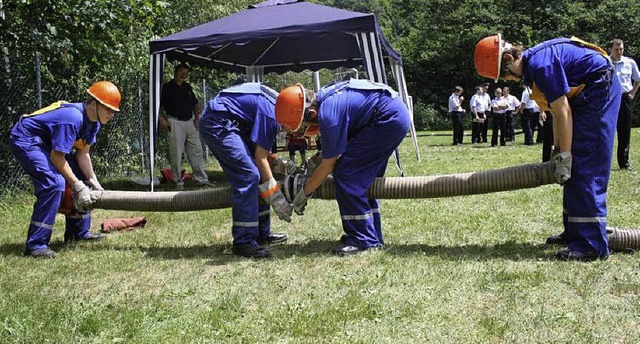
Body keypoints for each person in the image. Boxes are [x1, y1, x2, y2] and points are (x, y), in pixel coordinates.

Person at [475, 34, 621, 261]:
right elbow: (555, 112)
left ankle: (590, 244)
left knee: (584, 161)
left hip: (600, 90)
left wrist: (566, 153)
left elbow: (563, 111)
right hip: (589, 91)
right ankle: (575, 233)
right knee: (572, 163)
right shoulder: (534, 65)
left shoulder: (541, 65)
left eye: (504, 74)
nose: (507, 80)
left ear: (509, 59)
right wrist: (557, 148)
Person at [275, 79, 411, 256]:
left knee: (347, 174)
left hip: (386, 119)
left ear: (311, 114)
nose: (298, 132)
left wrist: (304, 194)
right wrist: (315, 161)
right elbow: (331, 150)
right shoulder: (326, 101)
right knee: (364, 183)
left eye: (299, 127)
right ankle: (371, 235)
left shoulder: (328, 115)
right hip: (390, 115)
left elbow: (329, 163)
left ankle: (362, 240)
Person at [10, 81, 121, 258]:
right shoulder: (73, 118)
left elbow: (82, 154)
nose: (111, 114)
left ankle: (78, 234)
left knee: (82, 179)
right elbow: (57, 157)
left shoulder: (95, 123)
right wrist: (77, 186)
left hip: (47, 145)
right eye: (107, 108)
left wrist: (92, 182)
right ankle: (36, 245)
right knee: (54, 184)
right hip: (27, 140)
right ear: (93, 104)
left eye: (114, 110)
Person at [199, 82, 291, 259]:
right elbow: (260, 158)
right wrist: (276, 197)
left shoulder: (278, 106)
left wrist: (277, 161)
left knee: (258, 172)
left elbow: (262, 154)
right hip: (218, 123)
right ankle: (244, 241)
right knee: (248, 175)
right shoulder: (271, 114)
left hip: (233, 122)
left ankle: (260, 232)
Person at [159, 63, 210, 189]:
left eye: (185, 73)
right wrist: (161, 120)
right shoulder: (166, 87)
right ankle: (177, 181)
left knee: (197, 150)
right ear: (175, 72)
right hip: (175, 122)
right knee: (176, 152)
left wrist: (197, 119)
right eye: (181, 72)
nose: (183, 75)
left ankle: (201, 179)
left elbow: (195, 104)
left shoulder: (187, 87)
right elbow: (157, 106)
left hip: (190, 122)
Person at [609, 38, 640, 170]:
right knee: (606, 131)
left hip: (624, 98)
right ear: (610, 49)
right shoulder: (605, 62)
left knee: (624, 132)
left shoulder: (629, 62)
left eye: (621, 49)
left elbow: (637, 80)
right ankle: (603, 162)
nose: (619, 52)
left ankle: (624, 163)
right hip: (609, 99)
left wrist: (632, 93)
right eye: (616, 49)